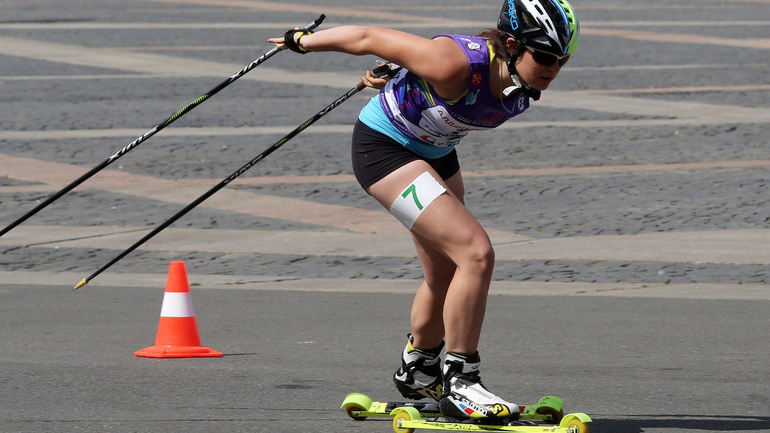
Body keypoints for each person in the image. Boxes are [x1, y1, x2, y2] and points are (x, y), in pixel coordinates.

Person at [269, 0, 579, 424]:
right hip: (386, 150)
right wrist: (302, 41)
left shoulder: (516, 75)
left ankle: (419, 368)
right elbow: (368, 38)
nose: (553, 68)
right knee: (476, 253)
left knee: (448, 271)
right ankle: (462, 380)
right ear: (510, 44)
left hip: (436, 151)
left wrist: (400, 75)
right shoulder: (453, 63)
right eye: (545, 56)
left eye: (562, 59)